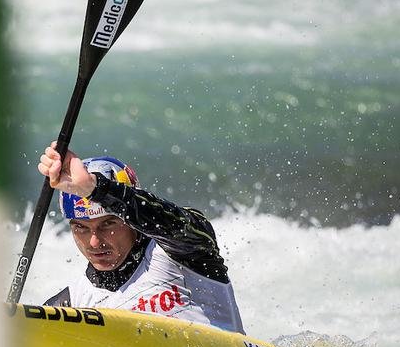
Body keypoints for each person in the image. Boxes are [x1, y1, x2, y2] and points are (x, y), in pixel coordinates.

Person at [37, 141, 245, 334]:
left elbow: (167, 219)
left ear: (130, 220)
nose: (94, 242)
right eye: (81, 228)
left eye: (108, 223)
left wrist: (96, 189)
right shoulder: (73, 303)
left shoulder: (181, 250)